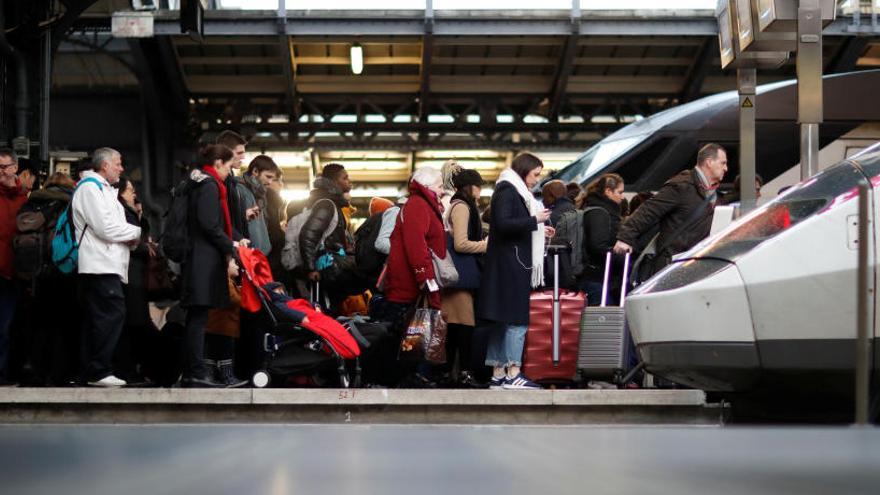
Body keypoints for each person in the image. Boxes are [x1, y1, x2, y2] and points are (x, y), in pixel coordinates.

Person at [476, 152, 554, 390]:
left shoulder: (508, 190)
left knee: (503, 319)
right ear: (523, 171)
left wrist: (540, 228)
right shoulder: (509, 190)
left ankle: (499, 373)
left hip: (507, 263)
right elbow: (503, 223)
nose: (536, 180)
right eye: (534, 175)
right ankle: (513, 371)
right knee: (517, 319)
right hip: (512, 264)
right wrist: (535, 220)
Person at [72, 148, 142, 387]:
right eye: (118, 164)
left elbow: (112, 227)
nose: (121, 169)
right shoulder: (91, 189)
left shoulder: (102, 190)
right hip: (100, 264)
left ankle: (90, 370)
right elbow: (106, 228)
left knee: (98, 317)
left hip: (105, 264)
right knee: (110, 314)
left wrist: (127, 236)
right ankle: (99, 370)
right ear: (104, 166)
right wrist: (136, 232)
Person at [179, 144, 244, 388]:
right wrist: (231, 246)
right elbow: (209, 224)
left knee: (198, 316)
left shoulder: (198, 183)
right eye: (228, 166)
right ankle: (196, 372)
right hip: (203, 260)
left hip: (199, 258)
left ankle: (193, 371)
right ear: (218, 163)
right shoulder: (208, 186)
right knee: (198, 317)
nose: (229, 172)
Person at [614, 143, 728, 276]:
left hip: (694, 263)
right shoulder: (682, 186)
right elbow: (649, 209)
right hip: (673, 264)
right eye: (723, 163)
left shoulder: (711, 193)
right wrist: (626, 238)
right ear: (709, 162)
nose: (726, 168)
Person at [382, 166, 447, 387]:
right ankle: (402, 376)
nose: (443, 191)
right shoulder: (419, 205)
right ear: (428, 186)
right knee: (408, 329)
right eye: (439, 186)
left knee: (414, 328)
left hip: (411, 282)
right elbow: (416, 245)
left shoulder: (422, 204)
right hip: (409, 284)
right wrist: (426, 278)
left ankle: (409, 374)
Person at [441, 169, 488, 388]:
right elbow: (460, 243)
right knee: (463, 327)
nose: (481, 190)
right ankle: (461, 374)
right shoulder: (461, 207)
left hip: (460, 275)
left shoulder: (458, 205)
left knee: (455, 327)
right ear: (470, 186)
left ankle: (452, 374)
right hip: (460, 275)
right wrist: (487, 244)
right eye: (479, 185)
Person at [299, 163, 362, 306]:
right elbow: (308, 234)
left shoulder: (333, 204)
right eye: (345, 178)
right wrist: (310, 268)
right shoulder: (327, 204)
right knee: (326, 309)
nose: (349, 181)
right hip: (325, 269)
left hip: (330, 267)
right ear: (334, 182)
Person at [114, 177, 154, 385]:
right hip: (131, 276)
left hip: (133, 276)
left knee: (134, 324)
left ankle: (130, 369)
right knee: (132, 324)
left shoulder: (129, 211)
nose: (134, 194)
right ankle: (127, 370)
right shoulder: (122, 211)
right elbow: (130, 242)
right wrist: (145, 247)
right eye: (130, 190)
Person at [0, 148, 29, 386]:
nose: (0, 173)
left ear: (14, 168)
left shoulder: (26, 198)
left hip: (14, 272)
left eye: (3, 168)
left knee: (8, 326)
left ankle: (5, 373)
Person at [579, 173, 625, 306]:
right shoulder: (600, 213)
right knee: (604, 322)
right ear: (608, 191)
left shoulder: (597, 209)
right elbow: (597, 246)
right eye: (620, 192)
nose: (622, 197)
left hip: (601, 277)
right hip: (597, 278)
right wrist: (621, 255)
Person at [236, 155, 280, 256]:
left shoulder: (260, 194)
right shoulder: (239, 189)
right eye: (268, 177)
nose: (269, 182)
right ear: (255, 171)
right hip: (249, 255)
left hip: (259, 255)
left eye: (272, 179)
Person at [215, 130, 250, 240]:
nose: (243, 157)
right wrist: (237, 240)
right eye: (239, 153)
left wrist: (244, 214)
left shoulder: (230, 179)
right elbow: (218, 220)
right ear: (225, 153)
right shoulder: (217, 181)